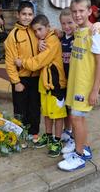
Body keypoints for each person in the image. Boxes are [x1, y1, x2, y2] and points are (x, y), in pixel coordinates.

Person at [58, 0, 100, 171]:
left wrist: (95, 90)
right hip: (76, 83)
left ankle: (78, 156)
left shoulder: (95, 32)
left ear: (89, 11)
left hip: (85, 86)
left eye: (81, 11)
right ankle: (84, 148)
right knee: (79, 119)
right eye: (74, 11)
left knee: (76, 119)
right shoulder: (79, 30)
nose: (77, 15)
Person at [14, 14, 67, 157]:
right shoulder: (45, 40)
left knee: (57, 115)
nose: (37, 33)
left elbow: (39, 61)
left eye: (40, 29)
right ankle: (49, 136)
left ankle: (57, 140)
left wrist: (22, 62)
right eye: (35, 31)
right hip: (45, 84)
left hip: (55, 86)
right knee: (47, 114)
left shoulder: (53, 40)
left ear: (48, 27)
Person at [4, 1, 40, 142]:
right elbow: (10, 62)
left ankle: (34, 132)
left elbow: (48, 34)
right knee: (20, 109)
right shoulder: (13, 36)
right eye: (24, 14)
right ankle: (22, 134)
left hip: (36, 78)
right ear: (18, 15)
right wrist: (16, 81)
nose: (27, 17)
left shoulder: (35, 30)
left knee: (35, 107)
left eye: (30, 14)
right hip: (21, 79)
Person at [58, 8, 76, 143]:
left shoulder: (78, 38)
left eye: (70, 23)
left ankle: (75, 137)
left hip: (74, 80)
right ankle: (67, 129)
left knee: (74, 110)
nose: (66, 26)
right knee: (65, 107)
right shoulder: (60, 38)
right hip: (63, 79)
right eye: (63, 24)